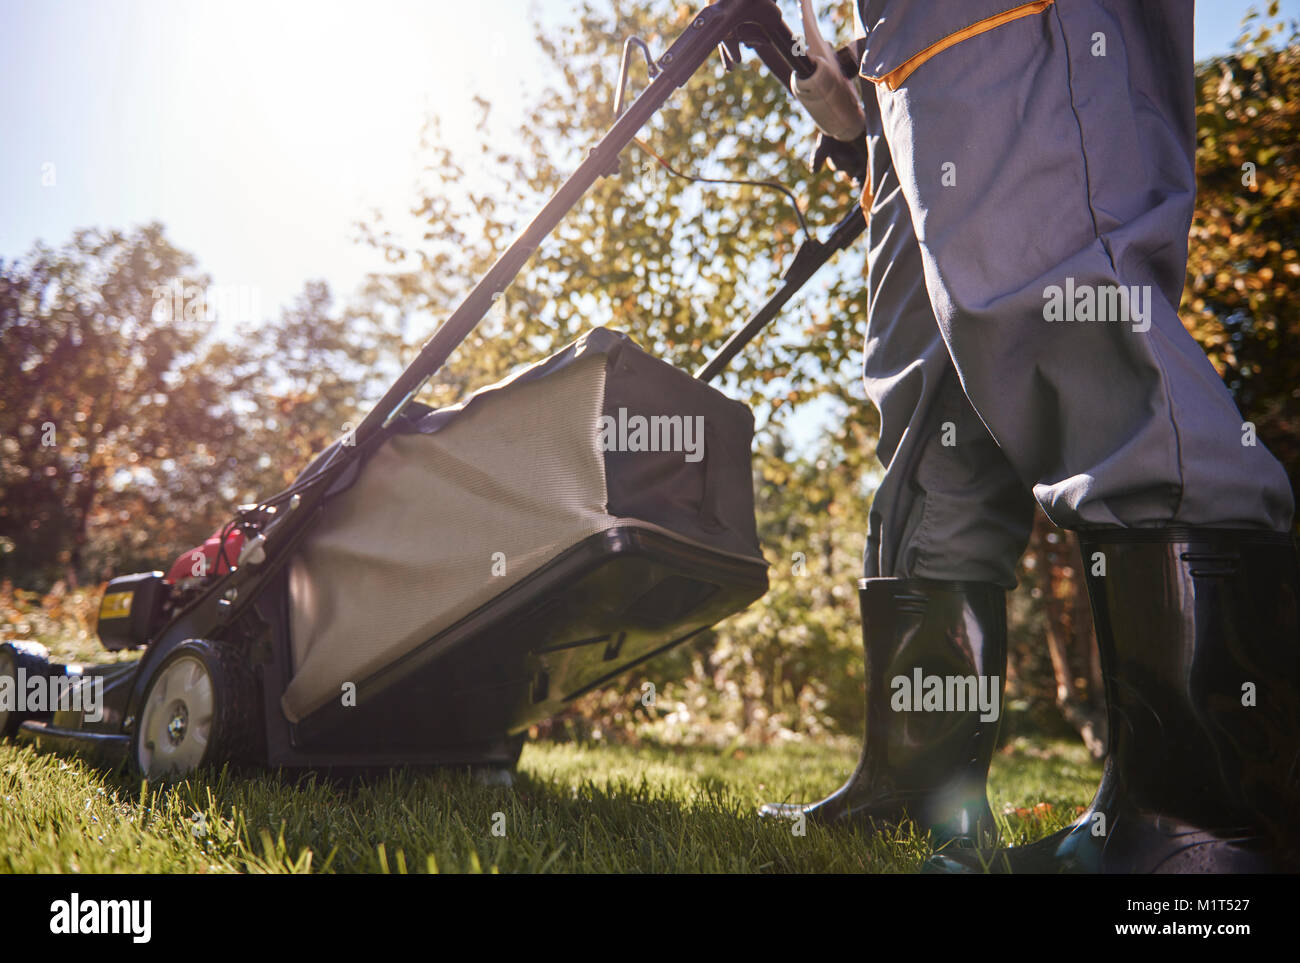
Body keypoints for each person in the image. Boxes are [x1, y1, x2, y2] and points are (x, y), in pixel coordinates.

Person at [761, 0, 1300, 873]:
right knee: (933, 404)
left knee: (1060, 293)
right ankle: (922, 784)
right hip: (894, 61)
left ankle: (1197, 831)